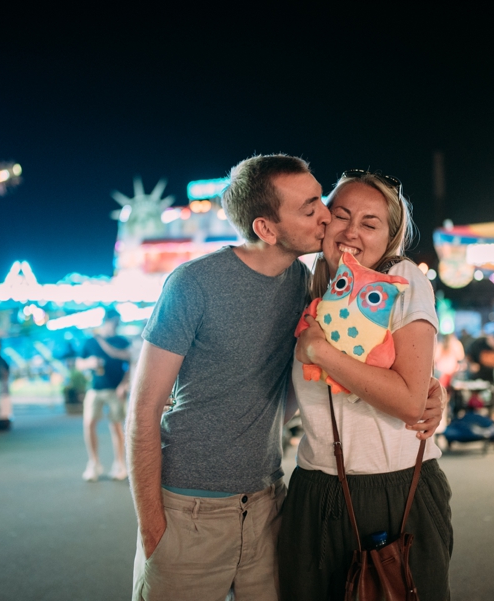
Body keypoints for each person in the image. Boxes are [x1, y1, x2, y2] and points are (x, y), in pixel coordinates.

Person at [126, 156, 447, 601]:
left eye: (322, 202)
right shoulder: (200, 284)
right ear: (266, 228)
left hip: (269, 503)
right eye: (316, 208)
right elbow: (143, 410)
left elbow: (395, 380)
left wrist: (430, 391)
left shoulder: (325, 285)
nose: (327, 218)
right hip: (194, 509)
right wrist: (153, 530)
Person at [278, 170, 453, 601]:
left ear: (389, 237)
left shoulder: (402, 280)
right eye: (341, 216)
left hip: (399, 491)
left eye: (370, 223)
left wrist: (323, 354)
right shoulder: (299, 289)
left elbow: (411, 401)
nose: (352, 231)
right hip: (315, 492)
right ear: (324, 223)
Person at [79, 309, 131, 482]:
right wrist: (88, 363)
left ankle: (119, 464)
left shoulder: (121, 341)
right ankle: (93, 463)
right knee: (89, 424)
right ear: (106, 321)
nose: (116, 326)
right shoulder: (90, 342)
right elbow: (79, 363)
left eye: (118, 323)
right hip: (95, 388)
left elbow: (130, 364)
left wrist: (124, 384)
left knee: (115, 426)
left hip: (115, 389)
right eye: (114, 322)